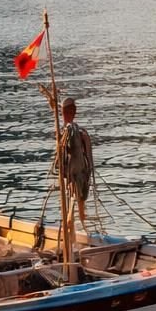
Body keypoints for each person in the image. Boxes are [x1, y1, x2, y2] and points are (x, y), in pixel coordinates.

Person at [57, 97, 95, 227]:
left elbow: (69, 149)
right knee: (79, 198)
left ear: (66, 113)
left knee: (74, 196)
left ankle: (74, 226)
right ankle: (80, 224)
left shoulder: (71, 132)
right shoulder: (78, 132)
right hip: (79, 172)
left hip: (75, 172)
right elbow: (88, 155)